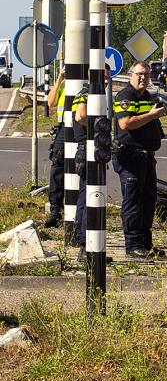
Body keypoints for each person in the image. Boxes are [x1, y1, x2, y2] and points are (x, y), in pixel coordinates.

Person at [112, 61, 167, 259]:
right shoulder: (126, 95)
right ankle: (133, 244)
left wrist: (155, 115)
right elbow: (125, 123)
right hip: (130, 157)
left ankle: (145, 243)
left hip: (146, 157)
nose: (142, 78)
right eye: (139, 74)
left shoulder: (147, 96)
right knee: (133, 202)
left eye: (146, 74)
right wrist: (151, 116)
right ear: (130, 75)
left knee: (148, 201)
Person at [72, 68, 110, 262]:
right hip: (87, 150)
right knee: (88, 199)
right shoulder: (87, 93)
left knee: (86, 196)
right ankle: (85, 246)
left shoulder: (96, 94)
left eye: (108, 75)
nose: (107, 79)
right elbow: (80, 116)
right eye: (103, 75)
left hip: (90, 149)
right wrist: (98, 128)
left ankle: (87, 244)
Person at [44, 68, 67, 227]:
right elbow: (50, 103)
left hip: (82, 128)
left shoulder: (87, 83)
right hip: (64, 129)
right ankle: (55, 210)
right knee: (57, 168)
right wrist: (59, 78)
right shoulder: (64, 84)